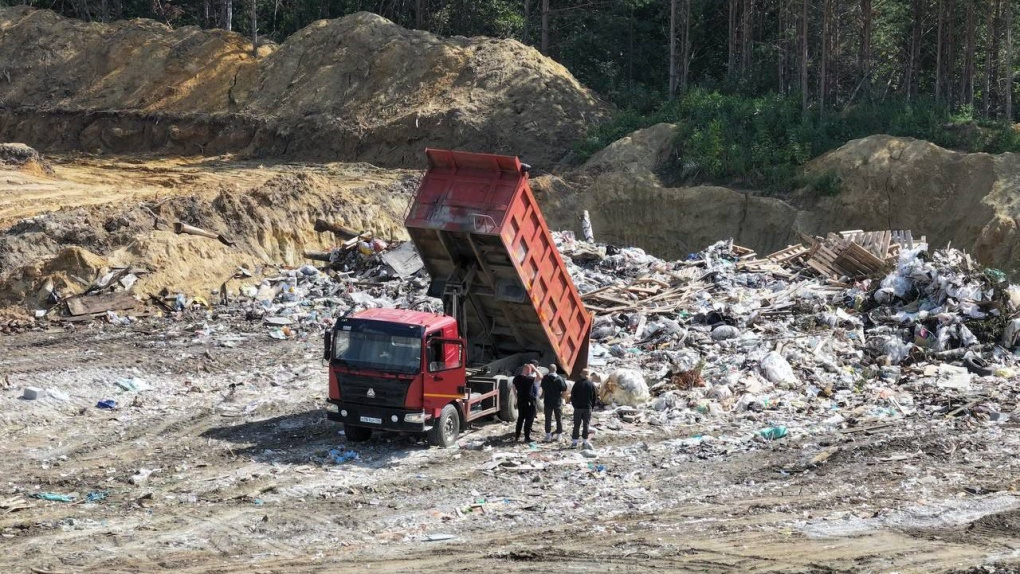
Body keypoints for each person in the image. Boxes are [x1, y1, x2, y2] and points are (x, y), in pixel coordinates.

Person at [512, 362, 540, 443]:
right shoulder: (529, 379)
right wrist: (535, 368)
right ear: (527, 369)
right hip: (529, 402)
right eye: (530, 370)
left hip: (521, 401)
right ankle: (527, 437)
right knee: (529, 419)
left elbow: (514, 389)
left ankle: (517, 436)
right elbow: (540, 376)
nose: (531, 371)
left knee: (520, 419)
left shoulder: (516, 379)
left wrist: (517, 398)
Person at [540, 364, 568, 441]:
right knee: (558, 418)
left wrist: (541, 398)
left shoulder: (545, 378)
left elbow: (543, 391)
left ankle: (548, 436)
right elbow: (564, 390)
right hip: (557, 402)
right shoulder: (560, 379)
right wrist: (563, 400)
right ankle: (559, 436)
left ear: (549, 369)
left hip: (548, 401)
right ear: (555, 369)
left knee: (548, 419)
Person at [570, 368, 597, 449]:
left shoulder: (577, 383)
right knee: (586, 425)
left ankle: (574, 442)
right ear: (588, 376)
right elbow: (594, 397)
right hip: (587, 408)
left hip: (578, 408)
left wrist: (574, 405)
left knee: (576, 425)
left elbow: (572, 396)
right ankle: (585, 442)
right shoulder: (591, 385)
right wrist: (591, 407)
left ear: (581, 374)